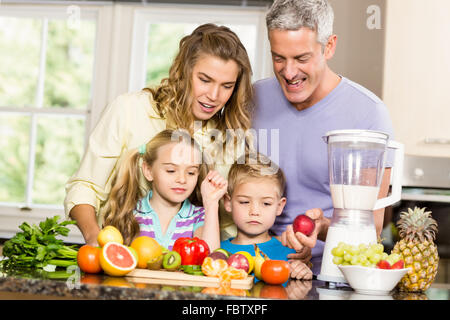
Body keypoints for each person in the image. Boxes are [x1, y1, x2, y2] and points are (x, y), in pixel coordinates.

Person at [64, 24, 253, 246]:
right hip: (123, 256)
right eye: (204, 79)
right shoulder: (129, 109)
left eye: (227, 86)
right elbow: (85, 187)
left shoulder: (232, 139)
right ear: (184, 71)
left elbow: (231, 222)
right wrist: (93, 236)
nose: (213, 95)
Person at [251, 0, 395, 275]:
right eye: (279, 58)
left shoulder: (367, 114)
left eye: (302, 58)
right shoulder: (253, 99)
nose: (289, 72)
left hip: (328, 277)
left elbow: (372, 227)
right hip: (256, 270)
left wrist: (320, 228)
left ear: (329, 46)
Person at [103, 129, 227, 250]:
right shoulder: (129, 214)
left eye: (191, 172)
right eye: (171, 171)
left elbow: (210, 259)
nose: (182, 180)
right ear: (148, 171)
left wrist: (211, 203)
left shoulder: (199, 216)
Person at [220, 153, 313, 280]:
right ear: (228, 203)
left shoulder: (291, 255)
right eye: (244, 202)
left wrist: (303, 273)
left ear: (279, 206)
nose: (254, 211)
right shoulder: (218, 252)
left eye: (266, 203)